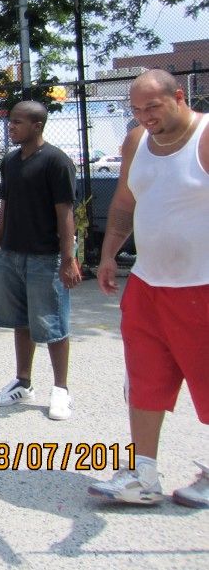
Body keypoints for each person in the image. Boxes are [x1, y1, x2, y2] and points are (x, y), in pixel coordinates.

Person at [88, 69, 208, 508]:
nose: (145, 117)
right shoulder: (137, 141)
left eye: (152, 107)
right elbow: (124, 203)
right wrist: (107, 255)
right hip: (149, 285)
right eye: (136, 109)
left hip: (202, 287)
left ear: (179, 97)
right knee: (144, 382)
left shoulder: (205, 137)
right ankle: (144, 476)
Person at [0, 100, 81, 420]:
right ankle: (23, 382)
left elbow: (66, 213)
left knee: (52, 324)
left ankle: (61, 390)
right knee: (20, 321)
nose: (11, 127)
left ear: (37, 126)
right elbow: (5, 209)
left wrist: (68, 259)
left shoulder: (56, 162)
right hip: (11, 255)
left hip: (45, 258)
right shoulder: (10, 162)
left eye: (18, 122)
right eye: (11, 122)